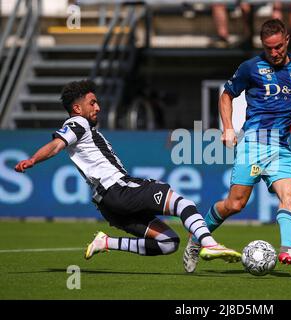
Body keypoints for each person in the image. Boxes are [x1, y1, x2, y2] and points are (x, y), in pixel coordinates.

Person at [14, 80, 241, 265]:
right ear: (77, 108)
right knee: (183, 203)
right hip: (118, 189)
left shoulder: (84, 130)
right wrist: (33, 159)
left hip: (108, 206)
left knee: (167, 243)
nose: (98, 107)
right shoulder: (77, 123)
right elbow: (57, 144)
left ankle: (106, 243)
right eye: (92, 103)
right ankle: (209, 243)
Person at [183, 19, 291, 273]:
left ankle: (287, 250)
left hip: (281, 147)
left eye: (278, 47)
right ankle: (197, 238)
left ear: (287, 40)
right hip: (254, 143)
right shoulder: (250, 68)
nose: (274, 53)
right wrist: (228, 128)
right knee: (235, 204)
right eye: (268, 48)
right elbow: (226, 95)